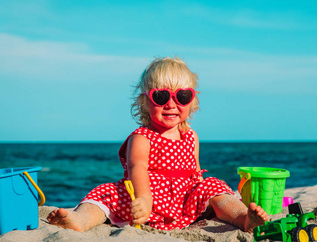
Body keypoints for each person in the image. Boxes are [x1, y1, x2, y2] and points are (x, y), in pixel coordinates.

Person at [47, 57, 269, 232]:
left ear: (193, 101)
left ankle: (244, 219)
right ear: (145, 101)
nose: (171, 104)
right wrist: (144, 199)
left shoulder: (191, 136)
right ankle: (80, 219)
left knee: (216, 187)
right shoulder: (142, 137)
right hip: (146, 201)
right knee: (105, 194)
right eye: (161, 96)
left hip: (185, 202)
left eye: (182, 96)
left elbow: (196, 171)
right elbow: (137, 169)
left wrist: (206, 192)